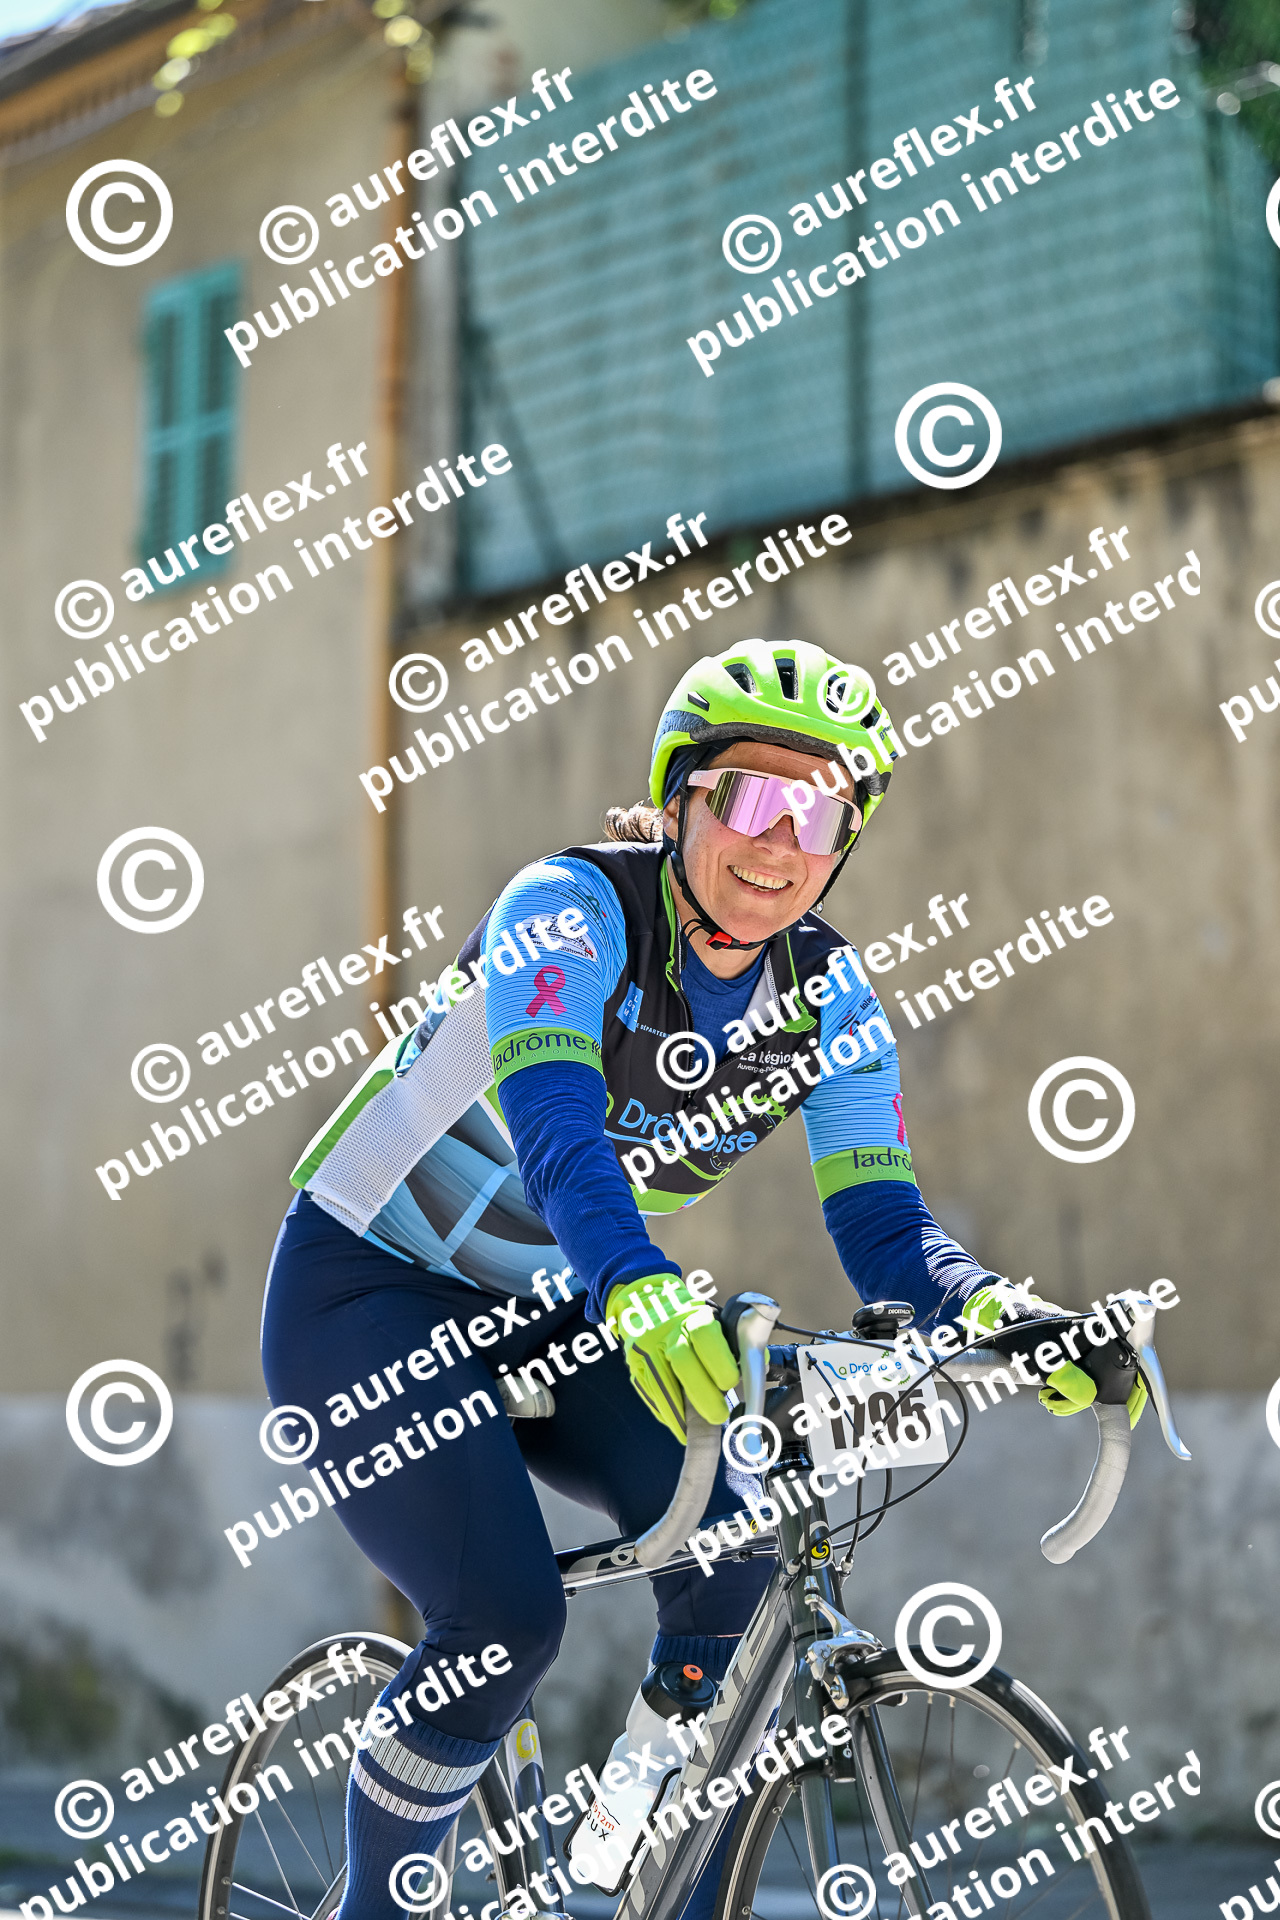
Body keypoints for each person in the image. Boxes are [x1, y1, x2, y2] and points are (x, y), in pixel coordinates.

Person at [260, 638, 1143, 1920]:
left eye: (817, 814)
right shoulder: (565, 911)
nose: (777, 840)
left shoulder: (828, 998)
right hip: (369, 1286)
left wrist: (1005, 1317)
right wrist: (633, 1280)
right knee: (499, 1624)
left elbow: (884, 1227)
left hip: (556, 1306)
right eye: (747, 796)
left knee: (736, 1560)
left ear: (843, 841)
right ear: (678, 799)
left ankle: (637, 1836)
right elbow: (557, 1129)